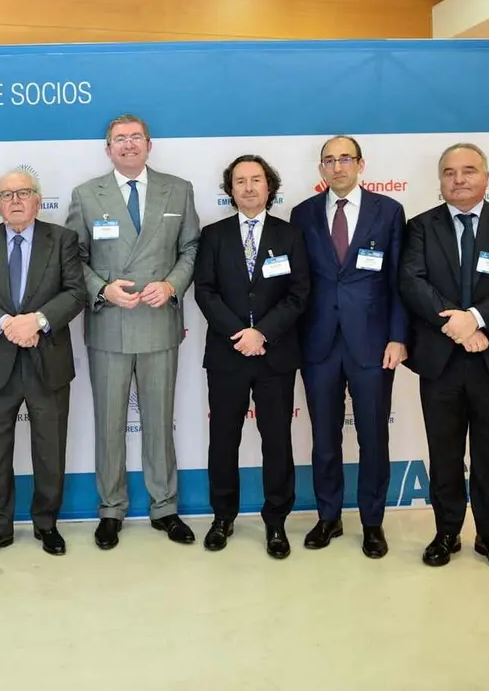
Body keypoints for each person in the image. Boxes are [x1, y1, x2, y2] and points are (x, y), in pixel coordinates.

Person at [66, 113, 200, 550]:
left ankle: (165, 507)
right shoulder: (86, 195)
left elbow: (190, 247)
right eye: (119, 140)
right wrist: (102, 290)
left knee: (160, 422)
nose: (127, 145)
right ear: (107, 149)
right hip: (109, 325)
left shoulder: (178, 189)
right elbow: (73, 259)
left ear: (149, 144)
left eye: (135, 138)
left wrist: (172, 285)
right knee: (109, 423)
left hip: (160, 323)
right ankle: (111, 509)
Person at [400, 142, 489, 574]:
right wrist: (454, 325)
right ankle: (446, 532)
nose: (459, 179)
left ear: (486, 178)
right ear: (440, 182)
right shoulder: (420, 226)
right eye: (450, 172)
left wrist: (475, 319)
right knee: (444, 451)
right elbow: (412, 281)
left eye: (468, 171)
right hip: (441, 359)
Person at [0, 168, 85, 561]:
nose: (14, 200)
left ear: (37, 200)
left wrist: (38, 321)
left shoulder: (62, 239)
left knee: (50, 448)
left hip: (49, 361)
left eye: (23, 193)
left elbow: (76, 292)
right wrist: (7, 324)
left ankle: (47, 523)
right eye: (6, 194)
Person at [290, 135, 408, 559]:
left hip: (373, 344)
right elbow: (298, 282)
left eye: (345, 159)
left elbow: (399, 281)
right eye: (329, 160)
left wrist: (398, 336)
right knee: (324, 436)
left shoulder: (389, 212)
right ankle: (329, 516)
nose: (337, 166)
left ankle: (373, 522)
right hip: (318, 342)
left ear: (361, 164)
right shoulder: (302, 214)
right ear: (321, 168)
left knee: (373, 435)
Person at [194, 155, 310, 559]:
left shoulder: (290, 235)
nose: (248, 187)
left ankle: (276, 521)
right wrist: (237, 334)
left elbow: (299, 294)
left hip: (274, 354)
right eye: (240, 181)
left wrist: (262, 333)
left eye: (255, 180)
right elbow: (204, 291)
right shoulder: (213, 235)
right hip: (228, 355)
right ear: (230, 190)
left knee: (277, 440)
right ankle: (222, 516)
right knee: (223, 439)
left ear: (269, 187)